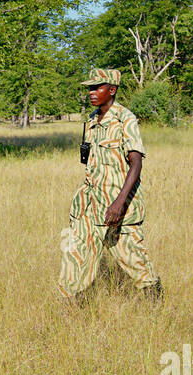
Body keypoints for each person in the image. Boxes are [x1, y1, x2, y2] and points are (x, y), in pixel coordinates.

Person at [59, 68, 161, 300]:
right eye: (90, 88)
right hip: (89, 205)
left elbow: (136, 163)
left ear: (112, 90)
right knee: (76, 255)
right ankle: (72, 309)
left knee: (133, 259)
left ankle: (155, 305)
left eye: (97, 87)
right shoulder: (92, 120)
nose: (92, 92)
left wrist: (119, 203)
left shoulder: (125, 118)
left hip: (118, 206)